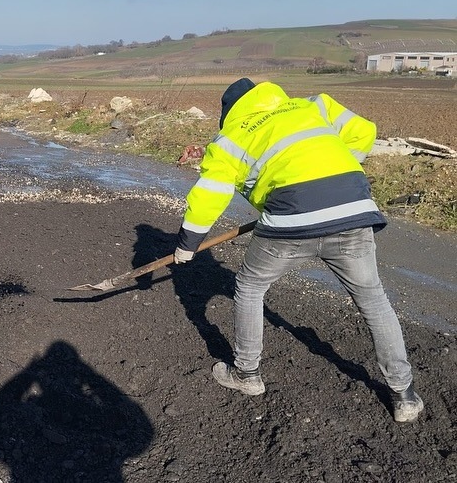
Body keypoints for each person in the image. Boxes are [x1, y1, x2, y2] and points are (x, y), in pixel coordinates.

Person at [172, 78, 423, 423]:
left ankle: (247, 375)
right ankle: (405, 395)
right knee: (374, 300)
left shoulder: (228, 139)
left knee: (249, 287)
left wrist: (188, 245)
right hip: (353, 212)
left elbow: (210, 193)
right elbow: (364, 131)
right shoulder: (314, 105)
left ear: (229, 112)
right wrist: (331, 176)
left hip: (291, 224)